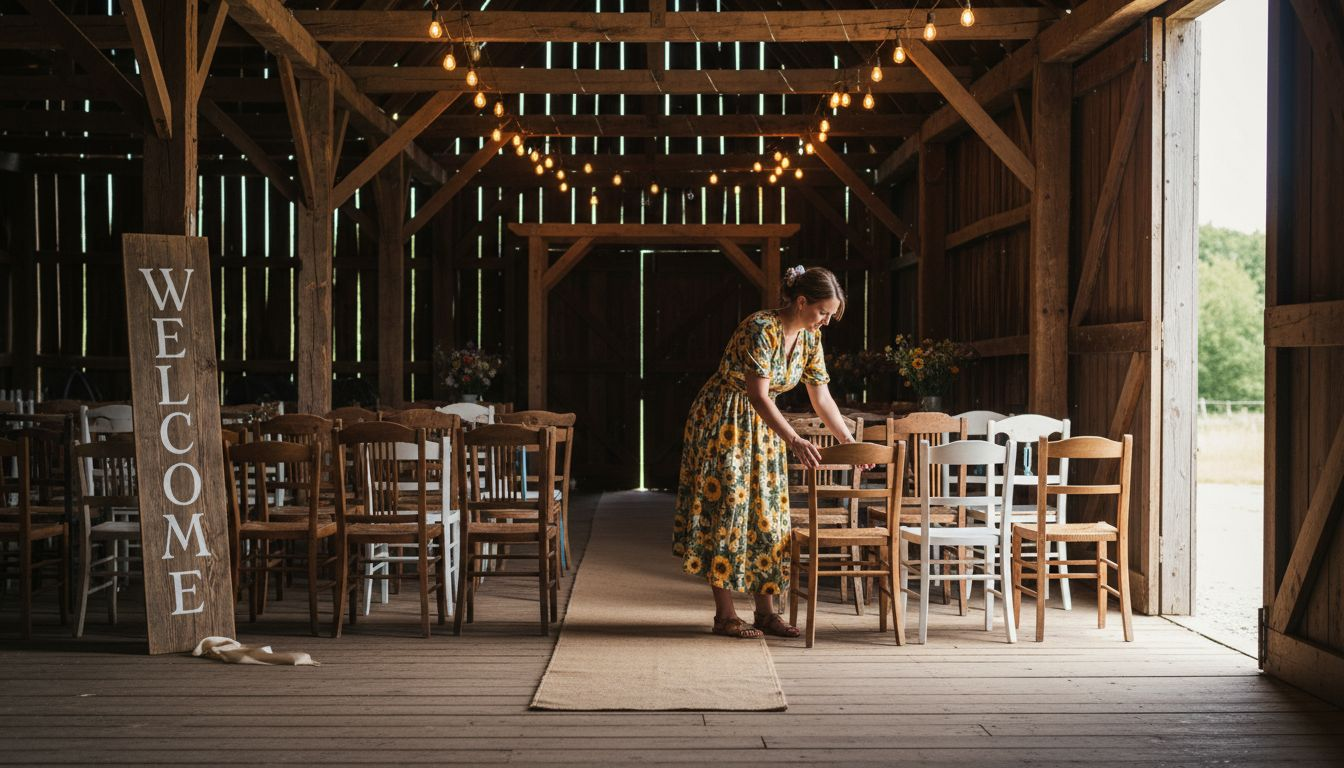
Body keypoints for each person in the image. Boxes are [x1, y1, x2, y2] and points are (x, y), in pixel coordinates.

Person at [672, 265, 859, 639]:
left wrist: (848, 442)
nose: (824, 322)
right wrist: (794, 439)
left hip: (765, 426)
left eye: (829, 315)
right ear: (801, 301)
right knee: (728, 508)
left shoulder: (809, 340)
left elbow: (821, 397)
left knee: (769, 515)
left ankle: (765, 612)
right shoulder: (761, 328)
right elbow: (757, 394)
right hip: (725, 419)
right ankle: (724, 615)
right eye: (822, 312)